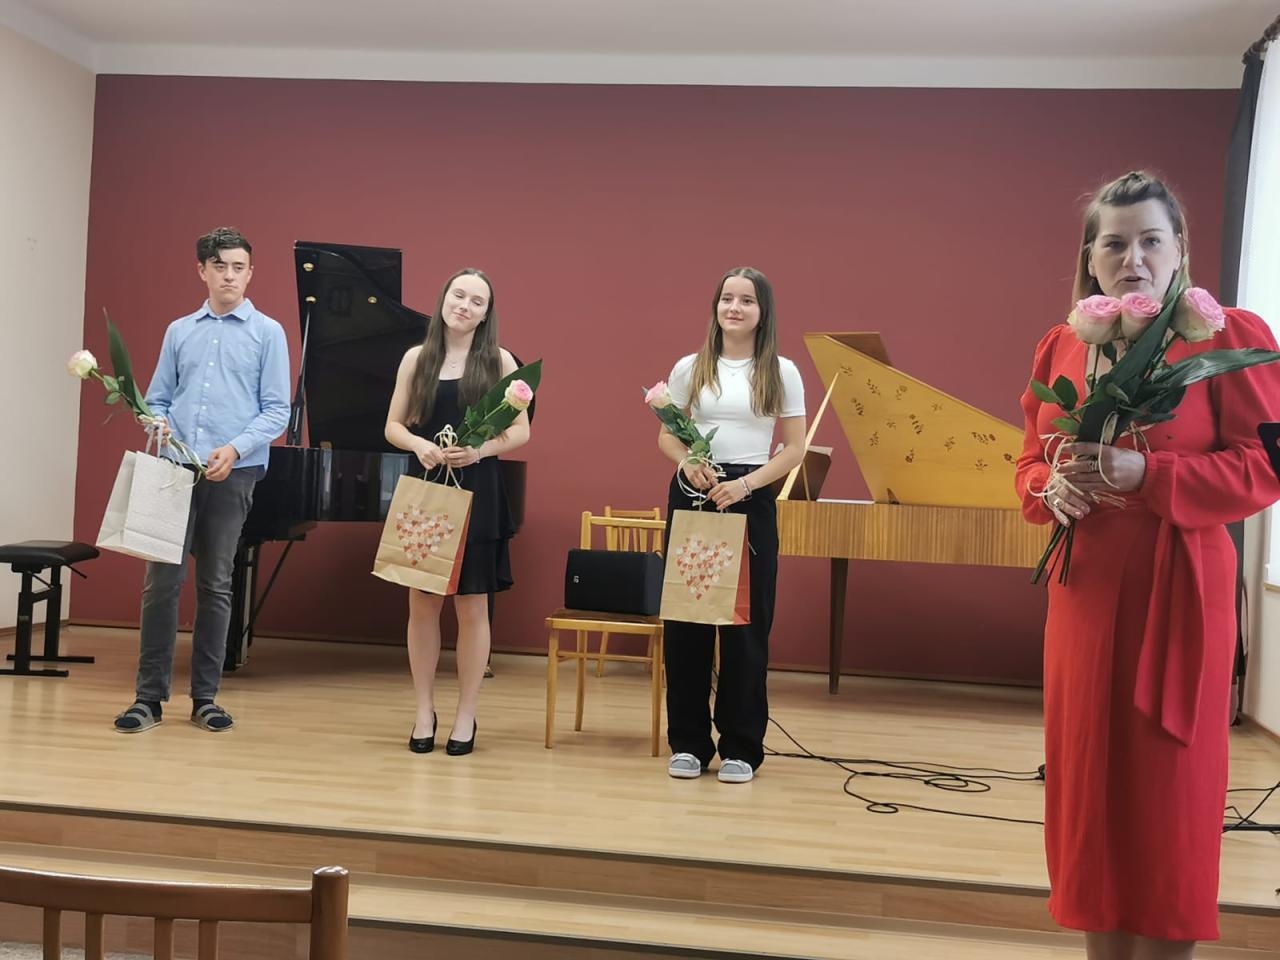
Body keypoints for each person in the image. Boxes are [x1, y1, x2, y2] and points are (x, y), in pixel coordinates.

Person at [1014, 171, 1280, 959]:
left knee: (1170, 791)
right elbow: (1029, 461)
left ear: (1179, 248)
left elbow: (1265, 466)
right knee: (1089, 781)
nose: (1133, 258)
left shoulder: (1228, 338)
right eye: (1115, 243)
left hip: (1180, 589)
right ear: (1090, 259)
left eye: (1150, 240)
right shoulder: (1062, 344)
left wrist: (1151, 475)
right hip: (1086, 594)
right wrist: (1047, 487)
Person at [114, 227, 291, 734]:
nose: (229, 275)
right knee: (161, 585)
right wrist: (157, 423)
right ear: (202, 271)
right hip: (173, 471)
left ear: (250, 273)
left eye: (238, 267)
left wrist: (234, 448)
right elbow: (157, 399)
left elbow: (277, 409)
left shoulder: (268, 333)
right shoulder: (179, 331)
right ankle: (148, 699)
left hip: (234, 472)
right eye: (219, 266)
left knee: (216, 585)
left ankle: (206, 698)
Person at [657, 266, 806, 784]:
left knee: (745, 627)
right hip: (694, 493)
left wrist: (746, 486)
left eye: (746, 300)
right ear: (716, 307)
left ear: (763, 312)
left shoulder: (781, 371)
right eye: (727, 299)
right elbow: (667, 436)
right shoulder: (690, 367)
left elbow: (794, 449)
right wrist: (686, 462)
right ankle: (689, 744)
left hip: (749, 495)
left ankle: (742, 746)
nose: (734, 308)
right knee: (687, 625)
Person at [385, 268, 529, 756]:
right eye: (458, 295)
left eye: (477, 301)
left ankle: (466, 714)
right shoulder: (416, 358)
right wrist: (419, 445)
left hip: (478, 489)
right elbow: (393, 426)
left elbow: (521, 431)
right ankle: (424, 710)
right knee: (422, 605)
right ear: (444, 299)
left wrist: (480, 450)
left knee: (472, 607)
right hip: (427, 488)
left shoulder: (500, 360)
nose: (464, 306)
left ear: (486, 314)